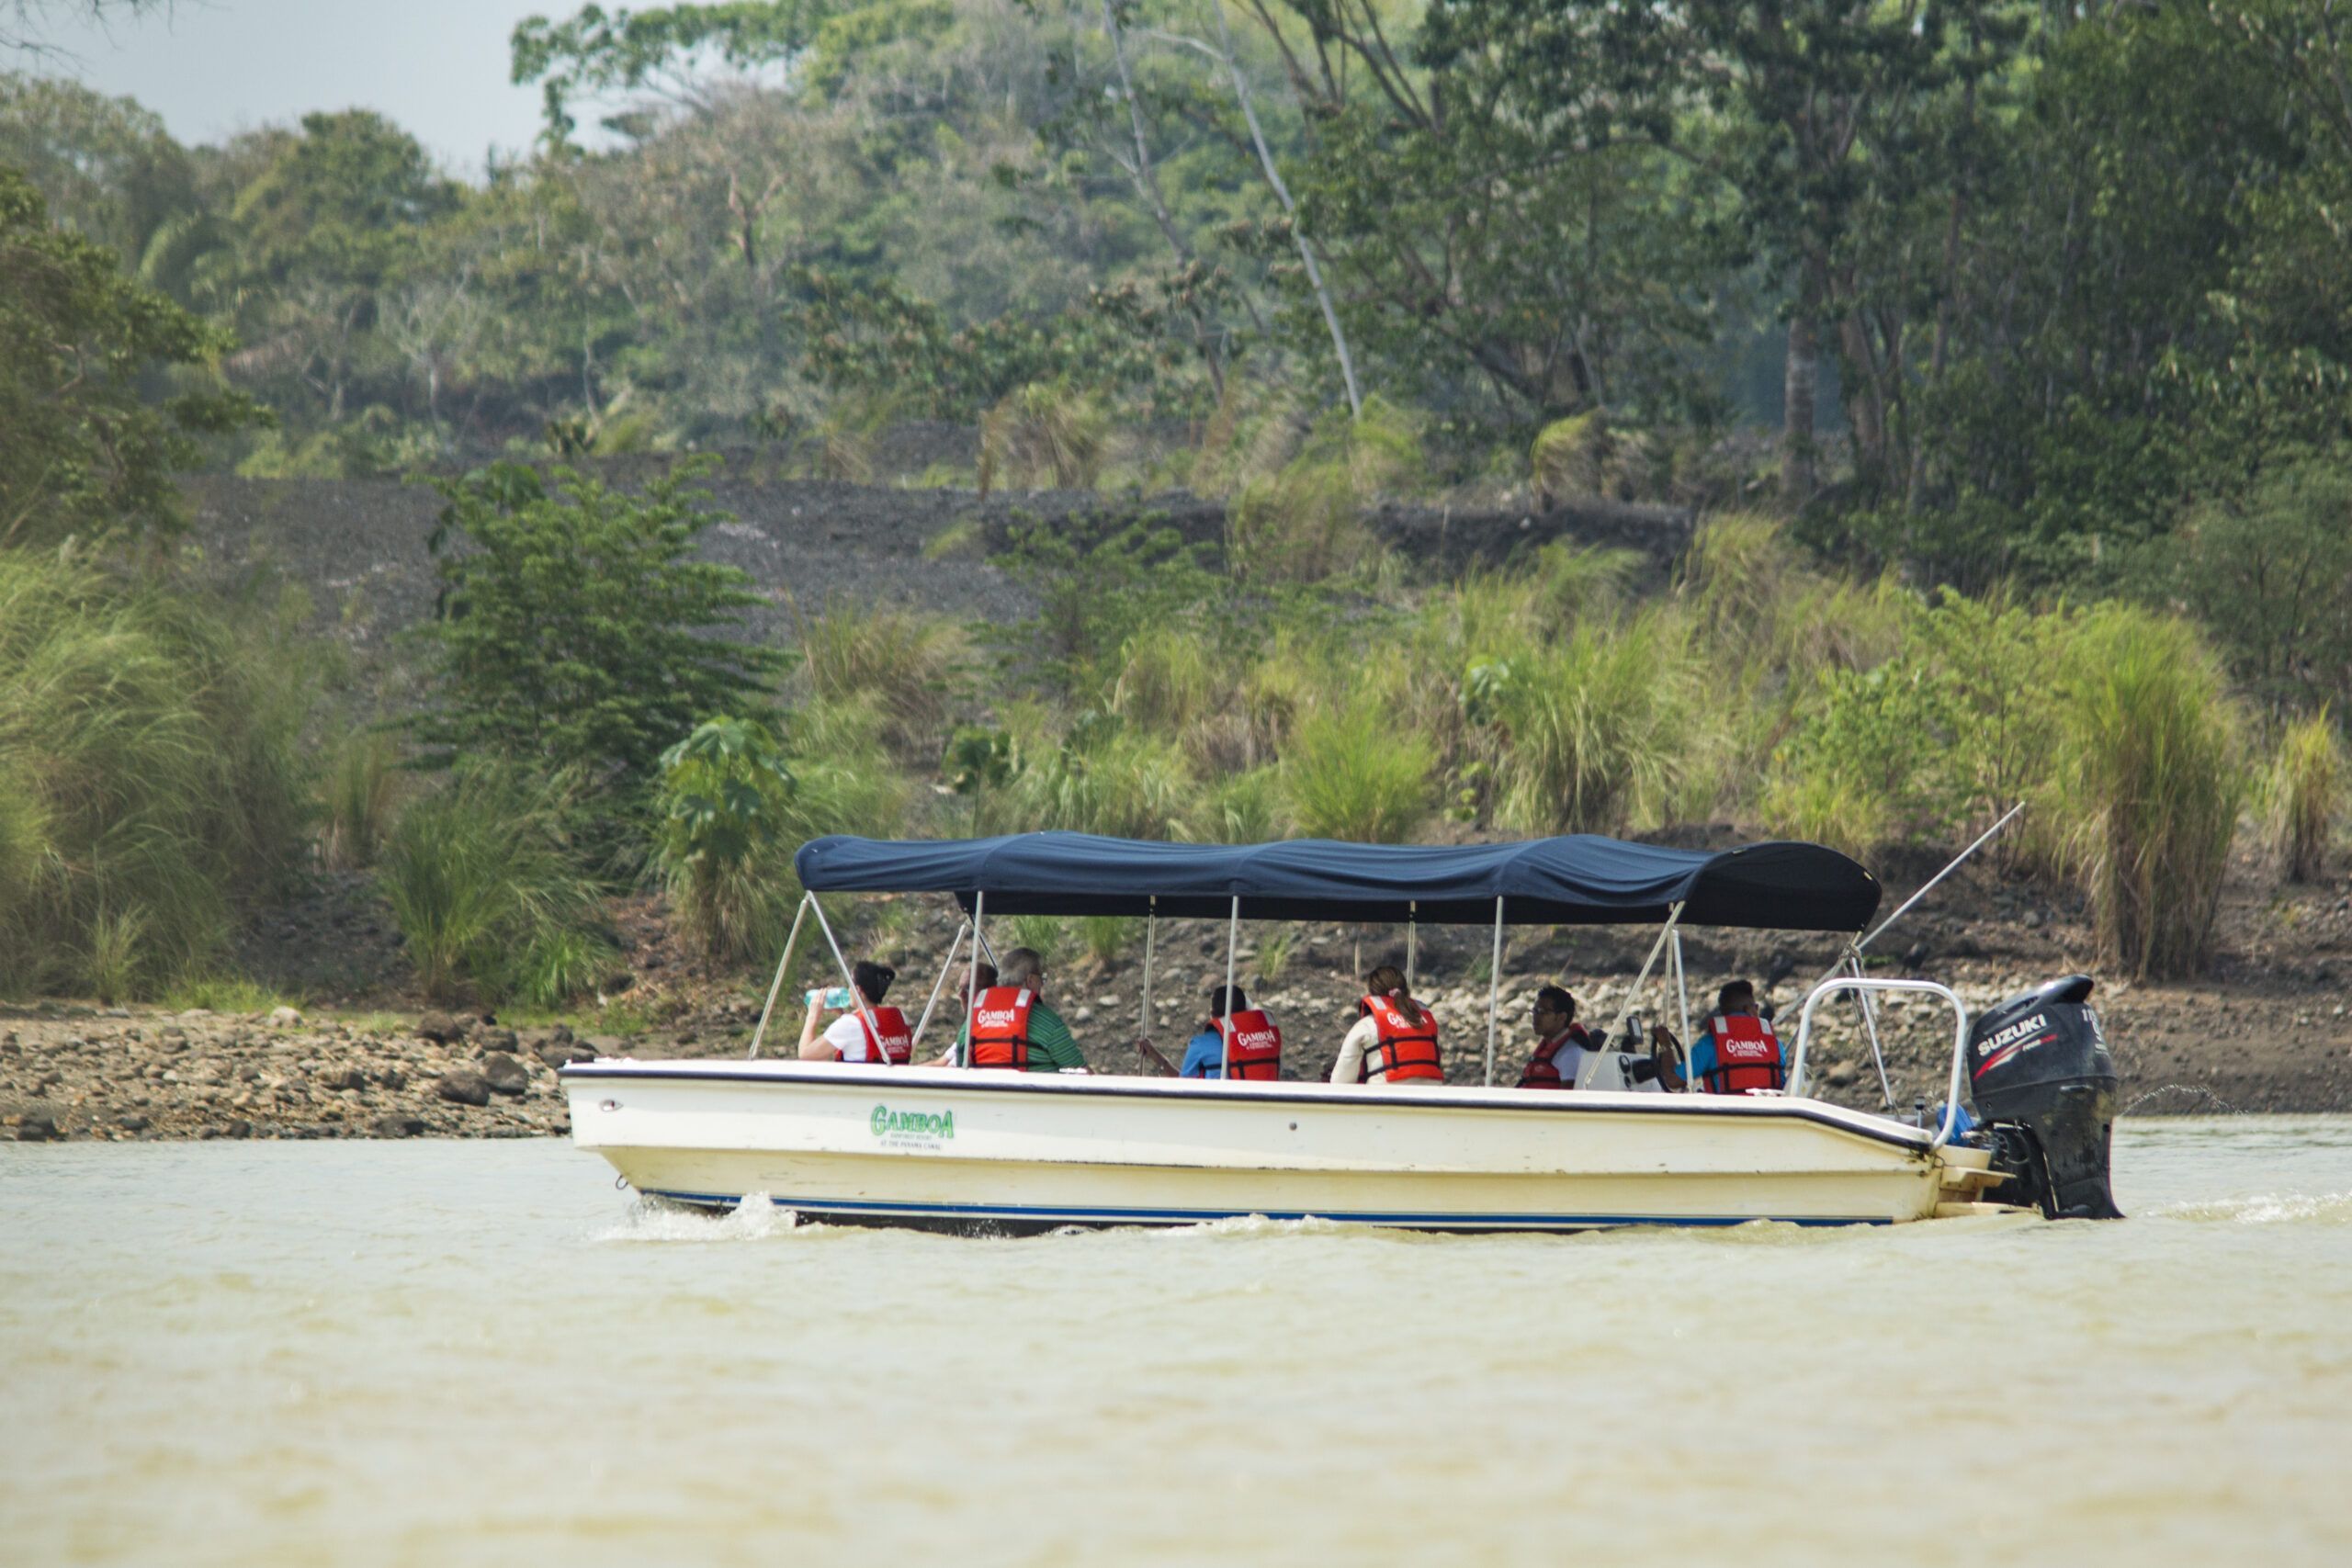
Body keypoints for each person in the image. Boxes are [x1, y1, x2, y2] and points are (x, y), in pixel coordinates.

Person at [962, 946, 1088, 1072]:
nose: (1042, 985)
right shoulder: (1047, 1023)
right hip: (1032, 1091)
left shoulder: (969, 1025)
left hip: (984, 1090)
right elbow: (1082, 1075)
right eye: (1042, 979)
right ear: (1031, 980)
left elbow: (961, 1067)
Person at [1649, 979, 1786, 1094]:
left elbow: (1673, 1081)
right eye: (1756, 1007)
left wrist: (1666, 1045)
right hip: (1769, 1118)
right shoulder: (1775, 1044)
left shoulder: (1710, 1044)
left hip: (1726, 1119)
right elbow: (1783, 1085)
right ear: (1749, 1010)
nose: (1757, 1011)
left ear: (1723, 1012)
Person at [1329, 964, 1444, 1085]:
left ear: (1372, 993)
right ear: (1406, 991)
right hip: (1430, 1097)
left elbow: (1341, 1079)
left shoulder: (1367, 1026)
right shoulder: (1424, 1021)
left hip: (1385, 1098)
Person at [1141, 985, 1283, 1080]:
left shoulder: (1200, 1044)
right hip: (1261, 1109)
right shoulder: (1267, 1039)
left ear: (1212, 1013)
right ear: (1246, 1010)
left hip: (1221, 1114)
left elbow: (1183, 1085)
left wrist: (1156, 1056)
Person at [797, 959, 910, 1065]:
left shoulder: (849, 1024)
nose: (848, 990)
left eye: (850, 986)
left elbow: (805, 1055)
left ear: (858, 990)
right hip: (892, 1082)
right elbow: (862, 1037)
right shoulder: (900, 1016)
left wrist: (812, 1017)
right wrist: (841, 1016)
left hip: (862, 1083)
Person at [1516, 986, 1600, 1089]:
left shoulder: (1570, 1053)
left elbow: (1566, 1099)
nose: (1535, 1017)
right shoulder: (1549, 1046)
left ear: (1562, 1017)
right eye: (1534, 1011)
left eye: (1542, 1012)